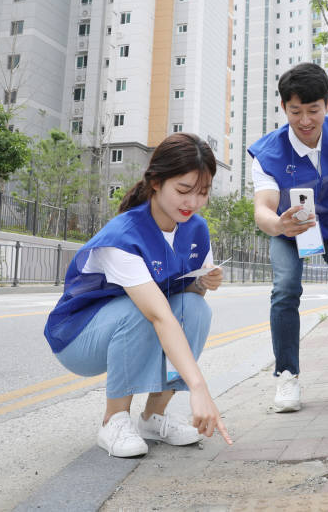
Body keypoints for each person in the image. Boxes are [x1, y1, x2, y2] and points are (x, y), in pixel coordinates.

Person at [44, 133, 233, 457]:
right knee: (140, 311)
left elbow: (182, 294)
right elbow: (157, 313)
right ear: (156, 182)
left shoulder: (195, 228)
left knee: (195, 309)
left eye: (202, 193)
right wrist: (199, 388)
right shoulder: (124, 235)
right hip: (79, 337)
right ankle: (113, 420)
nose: (192, 203)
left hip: (134, 322)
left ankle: (153, 415)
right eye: (184, 191)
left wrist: (203, 283)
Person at [249, 62, 328, 412]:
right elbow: (263, 207)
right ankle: (287, 375)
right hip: (289, 227)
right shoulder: (268, 152)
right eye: (295, 111)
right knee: (285, 288)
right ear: (284, 108)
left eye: (313, 110)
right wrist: (278, 225)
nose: (305, 121)